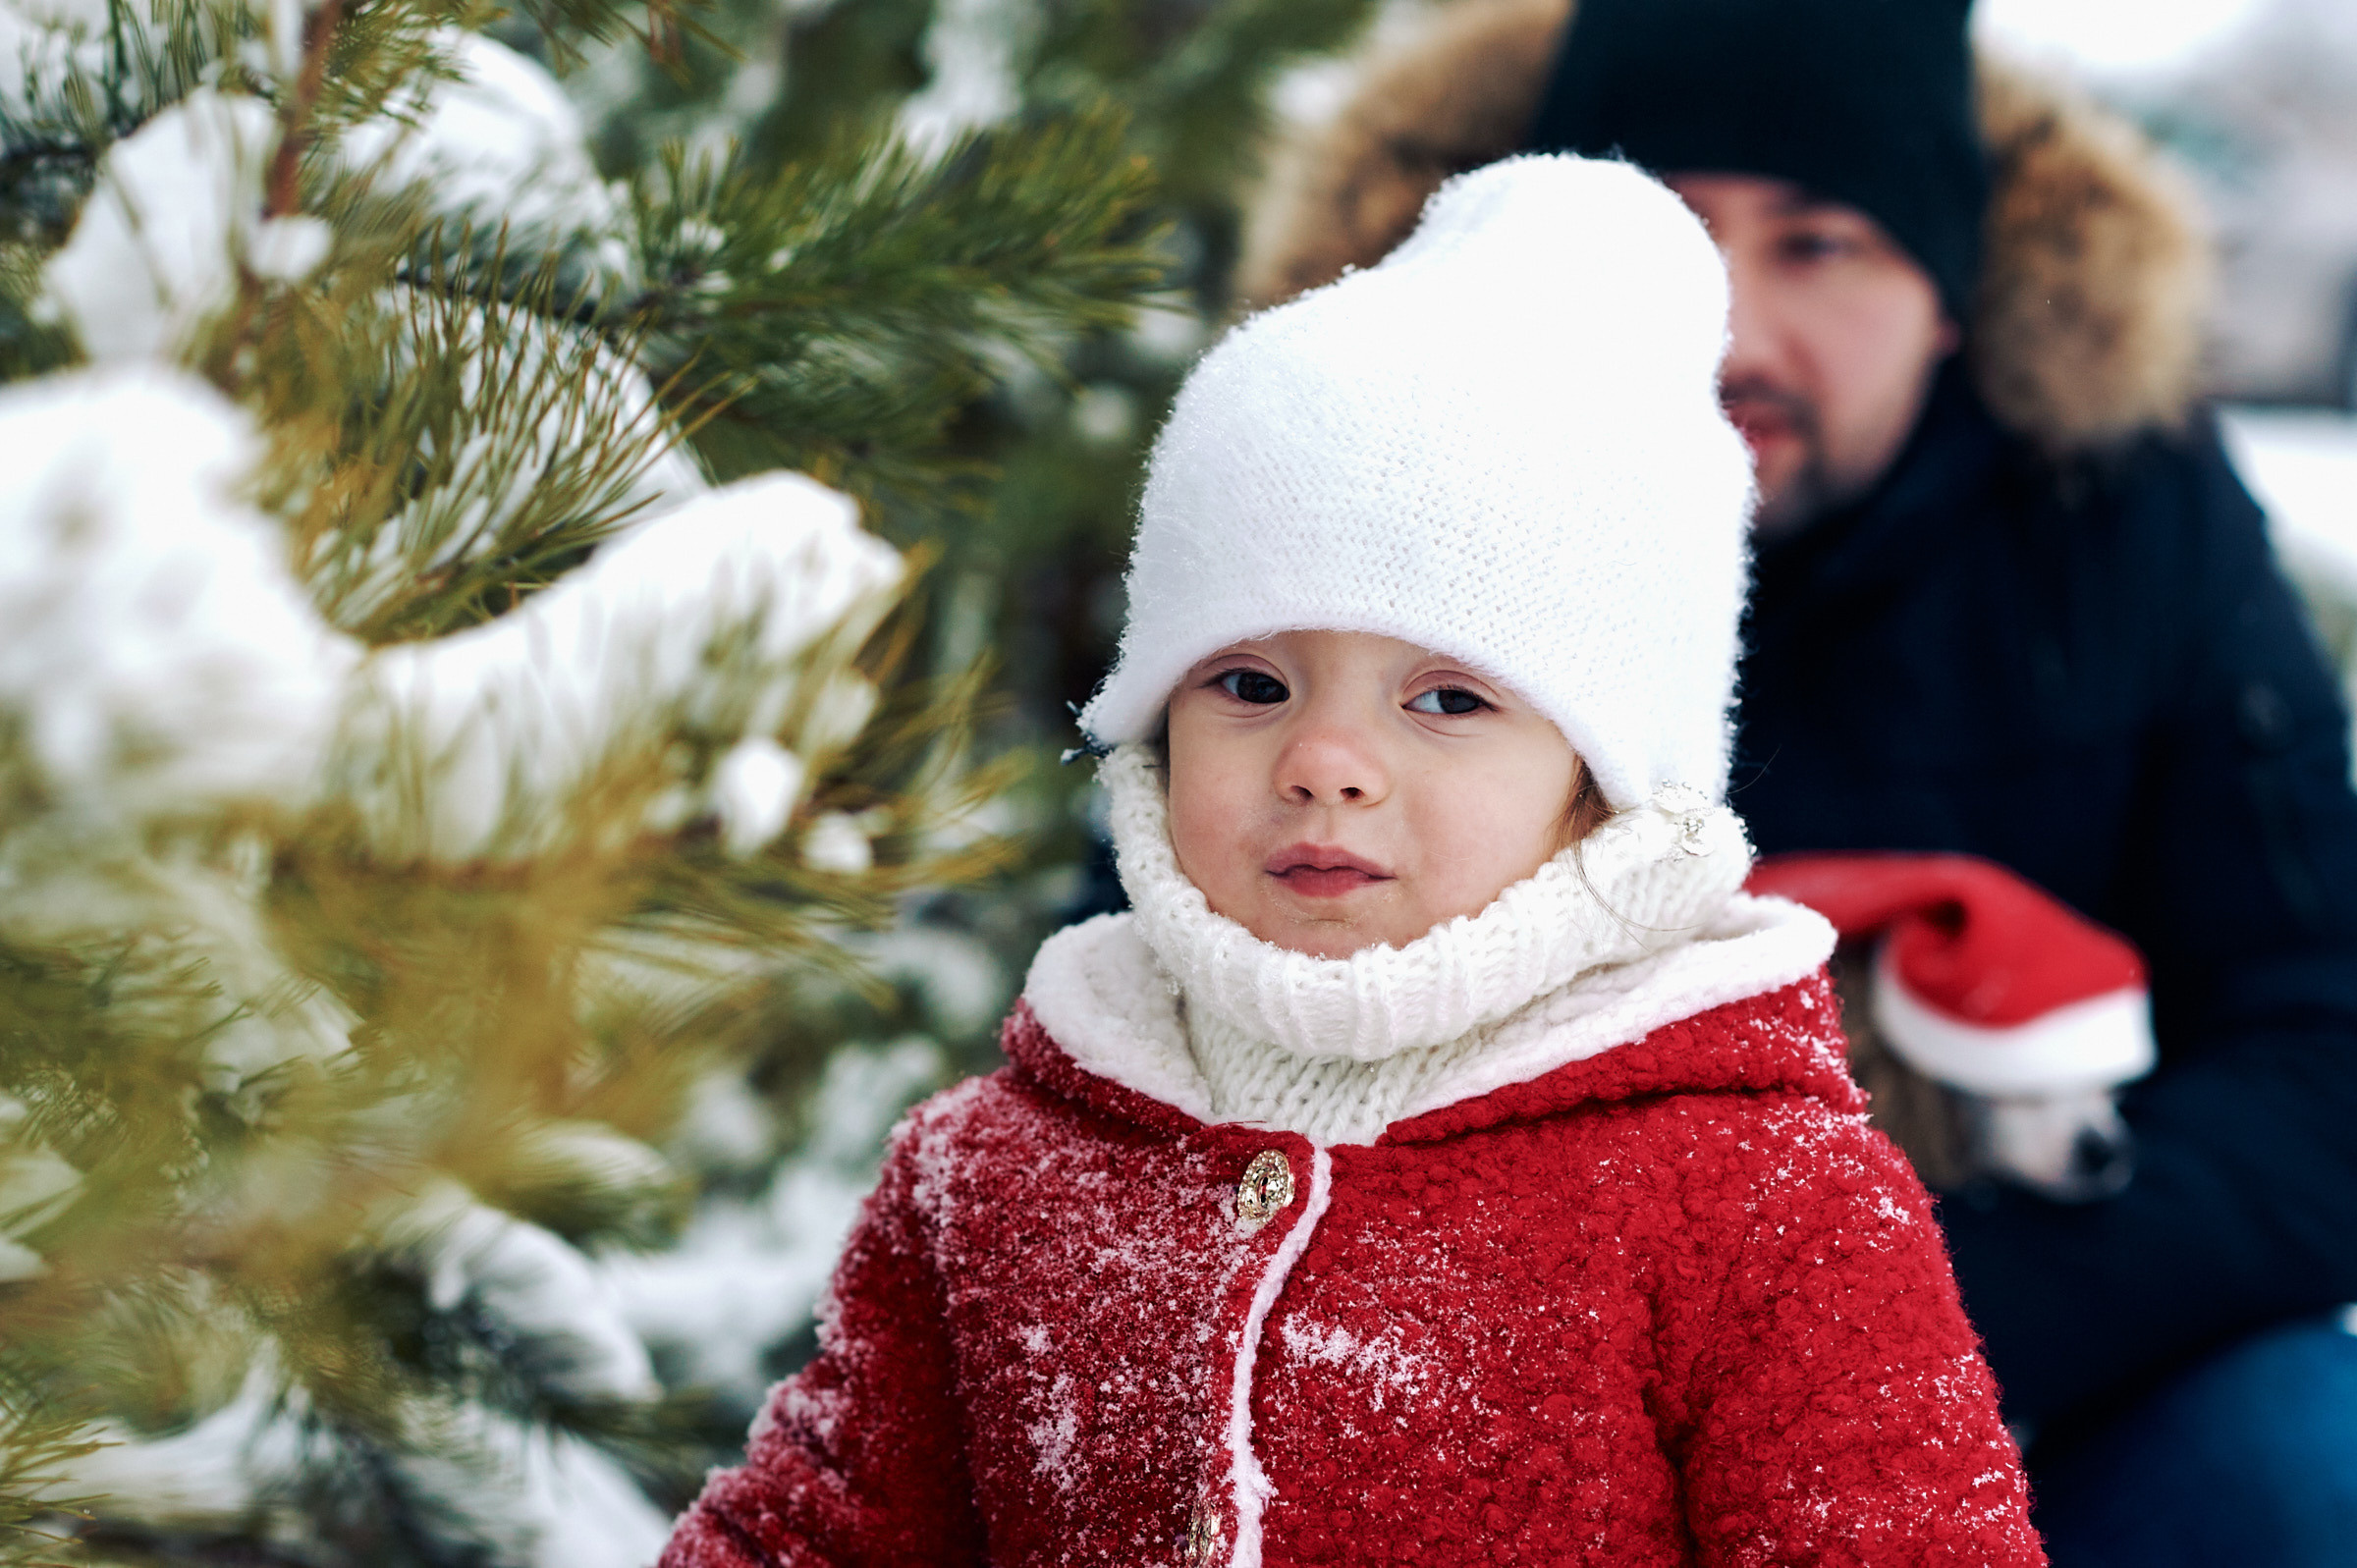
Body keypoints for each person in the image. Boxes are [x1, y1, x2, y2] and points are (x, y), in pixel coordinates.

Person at [660, 155, 2046, 1567]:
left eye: (1447, 698)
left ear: (1604, 787)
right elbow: (812, 1536)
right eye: (1250, 682)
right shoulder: (998, 1164)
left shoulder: (1763, 1202)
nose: (1324, 758)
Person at [1237, 1, 2357, 1563]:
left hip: (2035, 1331)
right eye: (1670, 234)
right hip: (1518, 1387)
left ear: (1954, 291)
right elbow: (1187, 999)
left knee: (2300, 1463)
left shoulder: (2126, 512)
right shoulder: (1357, 516)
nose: (1732, 334)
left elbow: (2321, 1036)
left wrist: (1896, 1320)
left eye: (1821, 244)